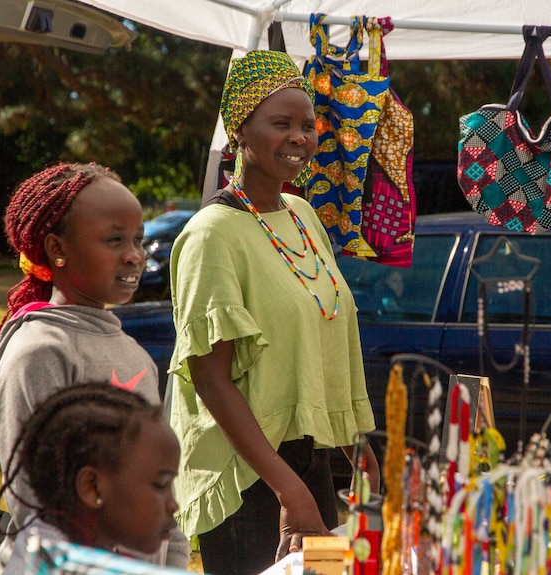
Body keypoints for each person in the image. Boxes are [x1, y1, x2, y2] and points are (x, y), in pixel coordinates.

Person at [167, 50, 380, 575]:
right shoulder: (211, 235)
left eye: (307, 125)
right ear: (240, 131)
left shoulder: (304, 216)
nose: (300, 137)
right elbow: (211, 380)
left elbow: (325, 336)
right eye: (280, 123)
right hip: (250, 479)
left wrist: (355, 443)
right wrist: (287, 488)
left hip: (310, 465)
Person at [0, 162, 189, 572]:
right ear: (57, 249)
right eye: (114, 240)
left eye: (138, 239)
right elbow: (36, 504)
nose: (134, 255)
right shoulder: (39, 352)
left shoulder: (133, 354)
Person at [0, 383, 183, 574]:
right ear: (92, 487)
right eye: (160, 485)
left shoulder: (43, 541)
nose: (173, 505)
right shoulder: (56, 564)